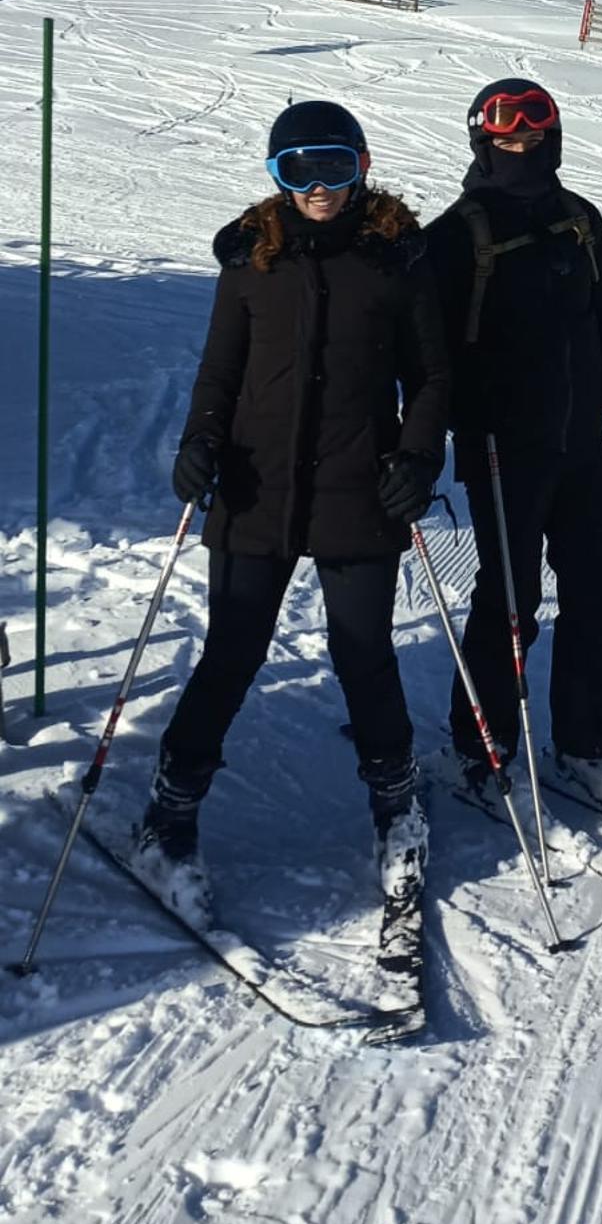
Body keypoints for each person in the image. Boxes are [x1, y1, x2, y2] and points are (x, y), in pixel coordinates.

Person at [135, 99, 450, 915]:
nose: (318, 188)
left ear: (361, 165)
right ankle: (167, 818)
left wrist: (418, 456)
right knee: (233, 652)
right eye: (298, 170)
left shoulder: (395, 259)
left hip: (359, 484)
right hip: (255, 483)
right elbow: (218, 372)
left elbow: (432, 378)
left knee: (364, 653)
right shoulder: (251, 261)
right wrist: (200, 439)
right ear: (276, 177)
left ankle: (396, 810)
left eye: (334, 168)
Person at [424, 79, 602, 792]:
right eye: (506, 142)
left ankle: (585, 744)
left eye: (533, 139)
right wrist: (447, 419)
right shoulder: (456, 235)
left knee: (596, 585)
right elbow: (425, 354)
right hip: (502, 448)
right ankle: (482, 747)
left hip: (579, 440)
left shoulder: (581, 218)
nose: (521, 150)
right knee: (510, 600)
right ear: (482, 145)